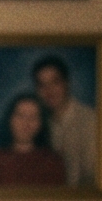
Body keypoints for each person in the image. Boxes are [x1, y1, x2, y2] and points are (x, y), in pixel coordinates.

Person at [32, 54, 97, 189]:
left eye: (55, 82)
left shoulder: (91, 120)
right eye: (42, 85)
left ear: (66, 83)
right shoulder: (38, 124)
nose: (49, 91)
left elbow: (94, 177)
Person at [0, 92, 66, 186]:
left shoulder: (52, 162)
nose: (26, 123)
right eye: (21, 116)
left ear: (41, 123)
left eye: (33, 117)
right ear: (10, 119)